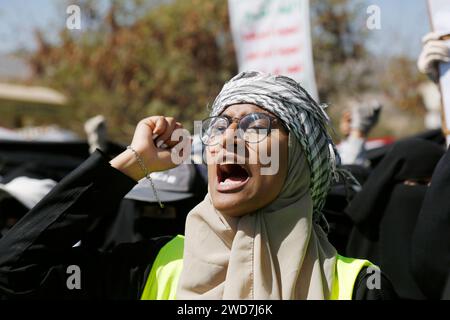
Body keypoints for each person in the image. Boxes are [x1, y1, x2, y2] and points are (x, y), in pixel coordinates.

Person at [0, 71, 396, 300]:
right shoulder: (158, 266)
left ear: (299, 162)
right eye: (220, 126)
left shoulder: (357, 287)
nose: (229, 138)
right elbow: (12, 270)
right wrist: (131, 164)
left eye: (256, 125)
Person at [337, 100, 382, 167]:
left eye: (351, 121)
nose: (349, 125)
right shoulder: (341, 146)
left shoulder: (355, 146)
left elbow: (351, 162)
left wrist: (359, 130)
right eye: (347, 120)